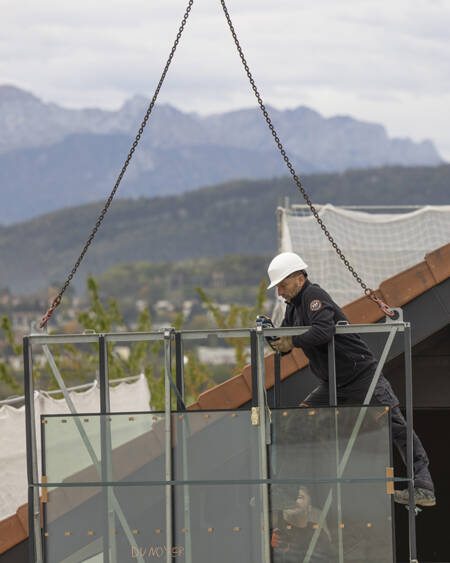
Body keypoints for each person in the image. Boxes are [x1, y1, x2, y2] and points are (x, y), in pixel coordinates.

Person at [267, 252, 435, 507]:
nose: (280, 292)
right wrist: (276, 339)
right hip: (334, 382)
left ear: (300, 278)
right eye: (278, 287)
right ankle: (288, 493)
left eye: (283, 285)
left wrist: (291, 340)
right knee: (296, 422)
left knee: (395, 425)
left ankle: (423, 486)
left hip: (361, 376)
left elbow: (323, 331)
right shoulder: (293, 307)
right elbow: (289, 343)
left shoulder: (314, 295)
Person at [271, 486, 332, 562]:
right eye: (289, 497)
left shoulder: (318, 534)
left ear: (309, 507)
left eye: (299, 497)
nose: (293, 500)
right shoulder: (272, 531)